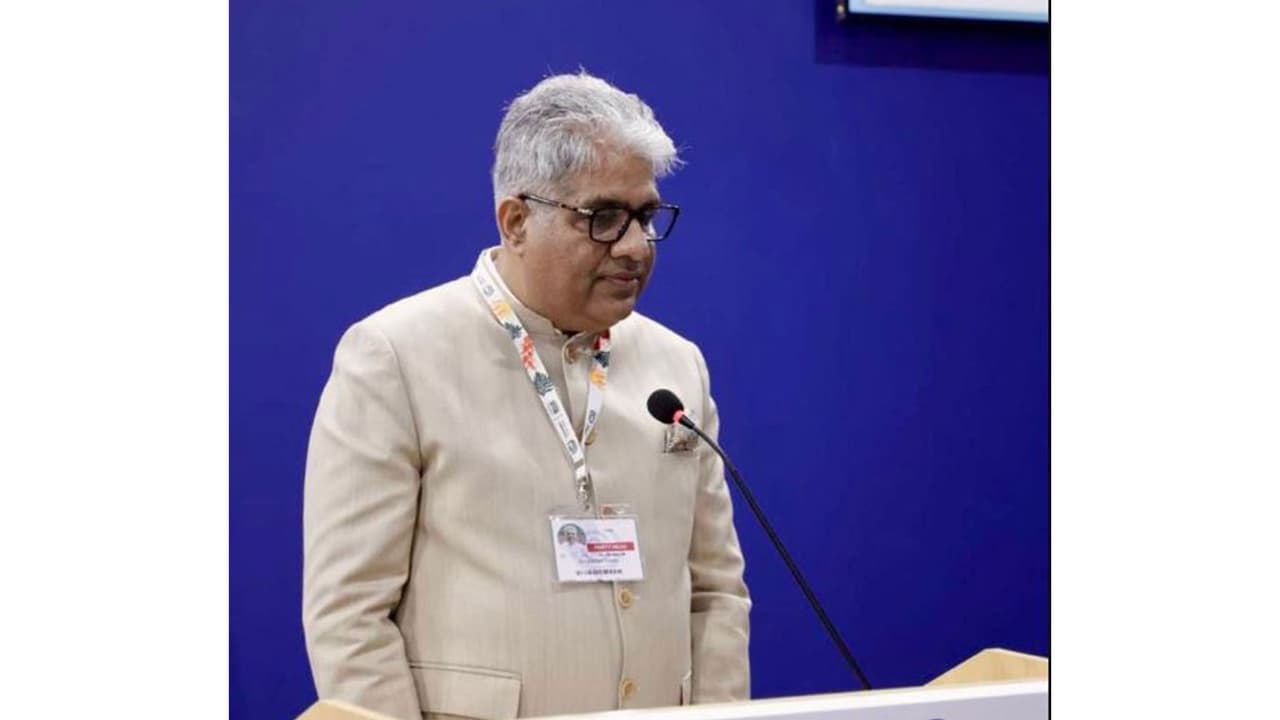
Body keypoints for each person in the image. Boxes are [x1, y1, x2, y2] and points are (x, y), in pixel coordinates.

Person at [302, 71, 750, 720]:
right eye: (603, 218)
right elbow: (349, 610)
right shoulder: (396, 355)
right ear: (516, 221)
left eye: (647, 216)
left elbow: (715, 593)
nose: (635, 247)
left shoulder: (676, 364)